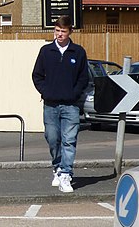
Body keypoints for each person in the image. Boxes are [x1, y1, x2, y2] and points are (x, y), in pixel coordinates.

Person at [31, 15, 89, 193]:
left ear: (70, 32)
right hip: (50, 104)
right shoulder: (46, 51)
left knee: (69, 140)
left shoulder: (78, 52)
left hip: (71, 105)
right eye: (57, 31)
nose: (59, 34)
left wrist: (74, 94)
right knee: (52, 138)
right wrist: (46, 91)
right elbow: (37, 76)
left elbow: (83, 78)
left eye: (63, 31)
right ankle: (57, 167)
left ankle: (66, 174)